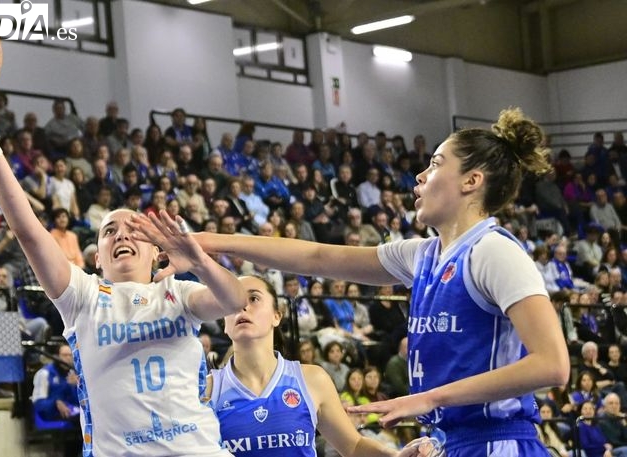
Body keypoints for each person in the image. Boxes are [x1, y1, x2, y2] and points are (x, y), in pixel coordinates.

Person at [194, 108, 570, 456]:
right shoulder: (422, 255)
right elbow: (315, 257)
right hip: (451, 442)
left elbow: (552, 365)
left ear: (472, 181)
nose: (420, 176)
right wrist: (204, 243)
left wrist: (429, 398)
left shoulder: (493, 250)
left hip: (497, 442)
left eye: (436, 164)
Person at [0, 92, 248, 457]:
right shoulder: (83, 295)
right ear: (98, 258)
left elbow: (234, 300)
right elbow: (27, 230)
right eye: (110, 231)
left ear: (157, 252)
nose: (122, 235)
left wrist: (201, 262)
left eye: (134, 229)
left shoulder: (178, 293)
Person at [205, 275, 423, 457]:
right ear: (224, 324)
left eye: (253, 298)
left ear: (277, 316)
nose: (242, 307)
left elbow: (353, 446)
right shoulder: (206, 390)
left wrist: (395, 455)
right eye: (232, 302)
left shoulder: (312, 379)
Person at [31, 342, 82, 457]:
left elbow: (79, 401)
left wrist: (76, 386)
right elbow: (38, 403)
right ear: (57, 356)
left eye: (70, 355)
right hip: (51, 412)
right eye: (64, 355)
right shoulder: (44, 373)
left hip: (73, 412)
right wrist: (55, 403)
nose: (68, 358)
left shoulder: (75, 373)